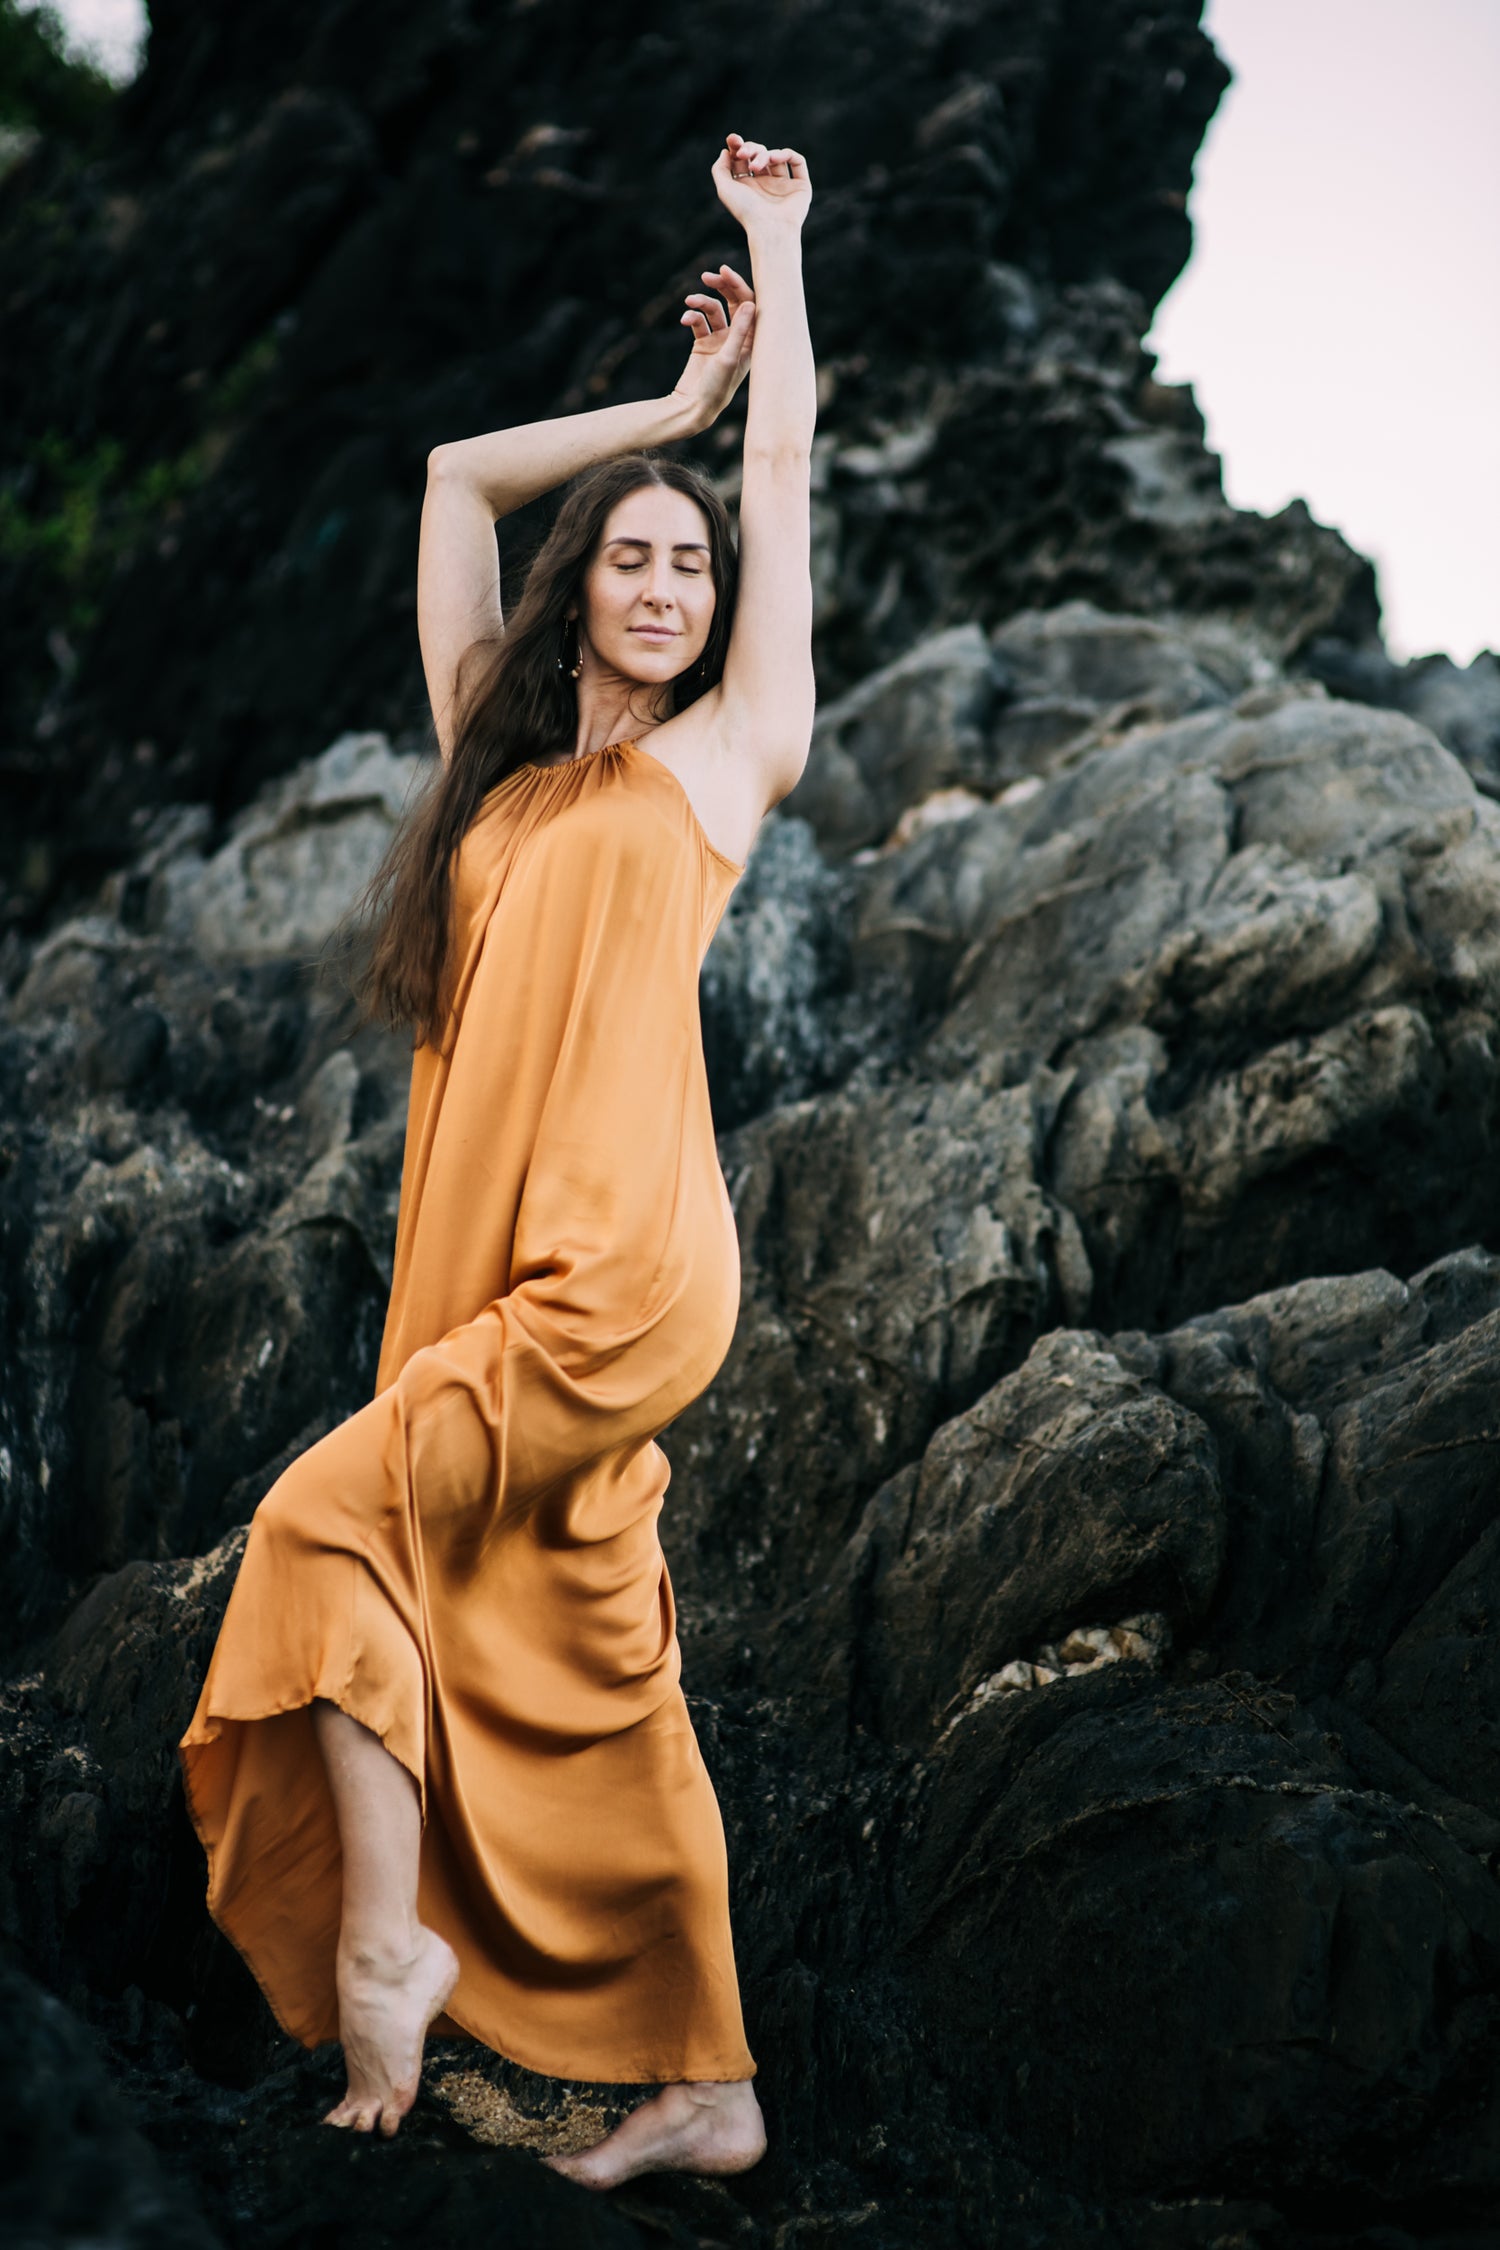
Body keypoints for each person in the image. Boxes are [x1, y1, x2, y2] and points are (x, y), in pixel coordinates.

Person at [176, 132, 815, 2192]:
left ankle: (388, 1942)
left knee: (326, 1517)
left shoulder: (728, 764)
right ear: (583, 589)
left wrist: (775, 278)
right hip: (495, 1261)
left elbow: (790, 488)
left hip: (626, 1274)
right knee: (587, 1627)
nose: (660, 582)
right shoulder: (498, 763)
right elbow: (454, 476)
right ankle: (707, 2086)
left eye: (687, 566)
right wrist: (662, 415)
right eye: (631, 555)